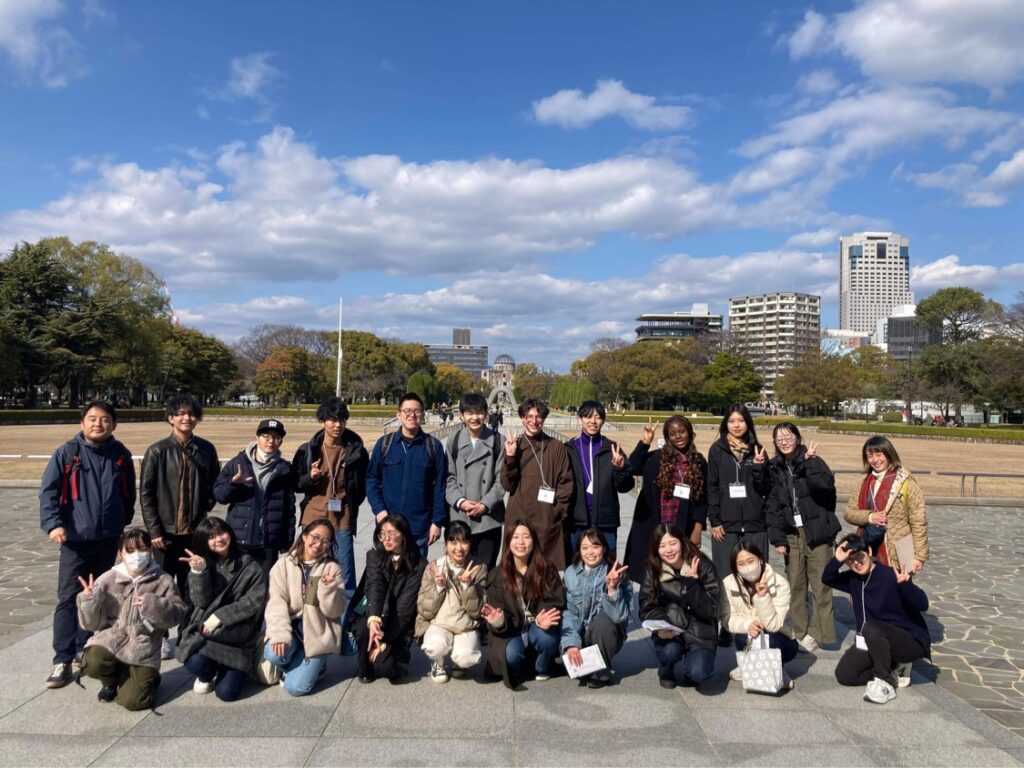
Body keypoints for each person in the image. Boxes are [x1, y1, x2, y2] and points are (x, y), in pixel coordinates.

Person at [39, 400, 137, 689]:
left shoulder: (121, 455)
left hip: (108, 539)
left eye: (105, 419)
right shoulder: (67, 453)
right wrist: (54, 524)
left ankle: (88, 646)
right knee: (69, 597)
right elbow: (49, 492)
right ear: (82, 423)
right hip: (75, 541)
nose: (98, 423)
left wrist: (121, 522)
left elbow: (128, 493)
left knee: (103, 595)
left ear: (114, 425)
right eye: (92, 418)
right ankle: (62, 657)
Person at [139, 395, 221, 658]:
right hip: (166, 534)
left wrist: (204, 510)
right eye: (181, 413)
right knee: (162, 587)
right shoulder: (157, 451)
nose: (187, 418)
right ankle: (160, 635)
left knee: (192, 586)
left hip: (194, 534)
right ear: (171, 418)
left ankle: (187, 632)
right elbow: (147, 494)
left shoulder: (206, 450)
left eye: (192, 414)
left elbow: (215, 485)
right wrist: (154, 531)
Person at [76, 527, 186, 709]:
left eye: (143, 549)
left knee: (133, 702)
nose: (137, 555)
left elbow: (178, 613)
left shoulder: (163, 579)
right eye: (131, 550)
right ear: (121, 553)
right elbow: (91, 624)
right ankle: (110, 681)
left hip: (144, 644)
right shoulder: (108, 578)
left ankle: (147, 678)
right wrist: (89, 601)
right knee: (92, 661)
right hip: (112, 639)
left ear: (150, 551)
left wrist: (153, 605)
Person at [292, 397, 368, 654]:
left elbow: (361, 486)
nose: (337, 424)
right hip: (314, 517)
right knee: (312, 575)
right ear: (322, 421)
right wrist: (309, 478)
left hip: (343, 516)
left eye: (342, 419)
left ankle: (345, 631)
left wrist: (350, 503)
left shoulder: (356, 449)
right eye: (332, 419)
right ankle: (310, 631)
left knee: (345, 577)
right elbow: (295, 484)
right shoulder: (308, 450)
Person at [823, 533, 931, 704]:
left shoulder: (889, 575)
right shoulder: (854, 579)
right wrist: (837, 559)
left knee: (871, 628)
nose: (856, 563)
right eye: (850, 561)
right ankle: (894, 667)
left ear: (870, 551)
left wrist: (906, 585)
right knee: (845, 675)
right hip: (873, 640)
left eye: (859, 556)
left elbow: (923, 604)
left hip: (909, 641)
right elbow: (827, 578)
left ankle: (885, 682)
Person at [765, 422, 840, 653]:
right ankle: (800, 629)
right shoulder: (775, 467)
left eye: (788, 436)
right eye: (779, 438)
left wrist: (810, 464)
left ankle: (818, 634)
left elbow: (825, 488)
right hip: (791, 533)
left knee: (821, 585)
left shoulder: (813, 461)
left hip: (817, 532)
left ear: (797, 438)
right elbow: (773, 504)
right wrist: (777, 537)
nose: (784, 441)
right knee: (795, 584)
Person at [175, 517, 267, 702]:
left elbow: (253, 600)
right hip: (208, 634)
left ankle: (234, 670)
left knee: (226, 693)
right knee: (193, 662)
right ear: (204, 541)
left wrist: (221, 616)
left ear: (229, 533)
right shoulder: (202, 562)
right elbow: (201, 602)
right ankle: (208, 672)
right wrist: (199, 572)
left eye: (221, 533)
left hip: (236, 635)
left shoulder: (250, 565)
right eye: (211, 537)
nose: (218, 539)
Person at [706, 404, 770, 645]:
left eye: (741, 421)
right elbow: (711, 486)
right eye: (732, 421)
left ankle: (755, 623)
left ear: (748, 423)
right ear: (726, 424)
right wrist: (715, 519)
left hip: (754, 523)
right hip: (726, 524)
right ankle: (727, 624)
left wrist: (760, 467)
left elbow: (765, 488)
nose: (736, 425)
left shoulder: (758, 450)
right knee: (726, 576)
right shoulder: (717, 450)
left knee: (754, 576)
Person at [263, 518, 347, 696]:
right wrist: (279, 634)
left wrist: (327, 589)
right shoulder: (283, 565)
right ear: (304, 536)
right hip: (293, 632)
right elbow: (275, 603)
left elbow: (335, 611)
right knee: (272, 653)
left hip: (317, 635)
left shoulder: (331, 568)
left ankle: (318, 664)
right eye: (315, 537)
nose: (318, 544)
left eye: (325, 541)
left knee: (296, 688)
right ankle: (297, 661)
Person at [481, 520, 566, 689]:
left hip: (536, 626)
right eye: (515, 537)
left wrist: (544, 615)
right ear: (508, 541)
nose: (521, 542)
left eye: (526, 537)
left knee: (545, 638)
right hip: (511, 630)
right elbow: (496, 610)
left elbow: (554, 600)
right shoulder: (497, 575)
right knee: (511, 655)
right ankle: (520, 668)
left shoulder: (546, 569)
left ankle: (541, 666)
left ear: (534, 541)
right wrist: (498, 621)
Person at [624, 416, 708, 580]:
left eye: (682, 432)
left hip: (683, 524)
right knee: (651, 573)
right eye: (673, 433)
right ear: (667, 437)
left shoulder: (698, 461)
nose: (678, 436)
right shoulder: (656, 457)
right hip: (654, 523)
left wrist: (698, 528)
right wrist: (645, 443)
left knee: (680, 572)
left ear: (689, 433)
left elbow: (702, 499)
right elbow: (632, 467)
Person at [638, 523, 719, 689]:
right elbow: (647, 606)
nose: (668, 550)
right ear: (656, 549)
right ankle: (667, 668)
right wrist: (661, 627)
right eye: (662, 546)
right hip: (671, 628)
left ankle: (691, 666)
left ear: (682, 542)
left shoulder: (704, 566)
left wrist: (692, 586)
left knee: (698, 673)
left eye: (673, 543)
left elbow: (711, 609)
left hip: (700, 631)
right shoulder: (653, 569)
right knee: (669, 652)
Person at [214, 419, 297, 580]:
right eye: (266, 436)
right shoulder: (238, 463)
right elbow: (219, 495)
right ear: (255, 438)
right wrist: (233, 484)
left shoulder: (284, 469)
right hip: (239, 539)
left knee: (264, 589)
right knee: (235, 587)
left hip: (267, 542)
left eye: (276, 437)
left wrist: (287, 540)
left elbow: (289, 507)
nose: (271, 441)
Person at [367, 393, 447, 557]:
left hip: (419, 528)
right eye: (407, 411)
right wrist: (379, 510)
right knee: (386, 579)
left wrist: (437, 522)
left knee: (415, 580)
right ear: (398, 414)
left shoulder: (433, 446)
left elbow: (441, 486)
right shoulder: (385, 444)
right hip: (388, 525)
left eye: (417, 411)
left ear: (423, 414)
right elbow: (371, 479)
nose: (412, 415)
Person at [351, 514, 426, 683]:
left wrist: (384, 639)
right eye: (382, 533)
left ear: (404, 534)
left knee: (387, 668)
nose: (386, 538)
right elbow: (374, 586)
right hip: (374, 612)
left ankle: (395, 655)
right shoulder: (375, 555)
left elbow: (405, 608)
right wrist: (374, 621)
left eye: (391, 533)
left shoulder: (418, 563)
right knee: (364, 629)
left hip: (398, 623)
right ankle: (365, 666)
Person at [501, 399, 574, 570]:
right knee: (516, 569)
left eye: (539, 416)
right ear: (522, 418)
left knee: (544, 570)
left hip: (546, 517)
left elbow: (566, 483)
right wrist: (510, 458)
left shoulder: (556, 447)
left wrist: (557, 511)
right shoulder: (515, 445)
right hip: (518, 515)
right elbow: (507, 485)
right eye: (530, 416)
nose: (534, 421)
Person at [843, 436, 928, 574]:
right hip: (868, 546)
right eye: (870, 456)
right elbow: (848, 513)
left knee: (898, 592)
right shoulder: (865, 482)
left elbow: (919, 522)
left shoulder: (906, 483)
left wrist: (919, 556)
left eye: (878, 454)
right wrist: (870, 517)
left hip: (900, 549)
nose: (875, 460)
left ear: (888, 454)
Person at [416, 520, 488, 683]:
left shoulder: (479, 568)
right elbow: (424, 610)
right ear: (445, 544)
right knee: (435, 646)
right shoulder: (434, 567)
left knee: (467, 657)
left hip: (466, 625)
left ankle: (459, 662)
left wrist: (467, 586)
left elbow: (477, 611)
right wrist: (439, 587)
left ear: (470, 543)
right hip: (440, 622)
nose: (459, 547)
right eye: (453, 542)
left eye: (464, 542)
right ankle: (438, 662)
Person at [560, 528, 632, 688]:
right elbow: (569, 613)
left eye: (595, 546)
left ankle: (601, 670)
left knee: (602, 620)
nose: (590, 552)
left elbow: (620, 617)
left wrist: (612, 589)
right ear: (579, 550)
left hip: (606, 635)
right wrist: (571, 643)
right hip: (582, 634)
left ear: (604, 548)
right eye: (584, 547)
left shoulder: (615, 573)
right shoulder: (570, 573)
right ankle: (587, 663)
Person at [720, 540, 797, 687]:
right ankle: (749, 666)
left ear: (760, 560)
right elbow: (726, 618)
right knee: (742, 639)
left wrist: (763, 598)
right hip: (749, 634)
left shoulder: (779, 583)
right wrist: (747, 624)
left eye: (751, 561)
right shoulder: (728, 583)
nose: (747, 567)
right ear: (735, 567)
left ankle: (777, 669)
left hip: (779, 636)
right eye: (741, 564)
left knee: (772, 641)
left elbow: (774, 625)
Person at [445, 392, 506, 569]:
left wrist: (485, 504)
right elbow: (449, 477)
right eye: (469, 413)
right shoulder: (454, 440)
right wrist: (461, 501)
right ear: (461, 415)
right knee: (459, 568)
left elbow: (501, 479)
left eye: (479, 412)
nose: (474, 417)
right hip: (460, 516)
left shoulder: (497, 441)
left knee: (485, 570)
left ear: (486, 414)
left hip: (488, 518)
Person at [565, 400, 634, 555]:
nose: (593, 421)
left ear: (603, 420)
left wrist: (620, 469)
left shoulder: (612, 449)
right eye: (588, 417)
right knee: (575, 570)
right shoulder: (568, 449)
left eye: (598, 417)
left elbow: (626, 487)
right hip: (576, 522)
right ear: (579, 419)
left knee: (607, 571)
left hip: (605, 522)